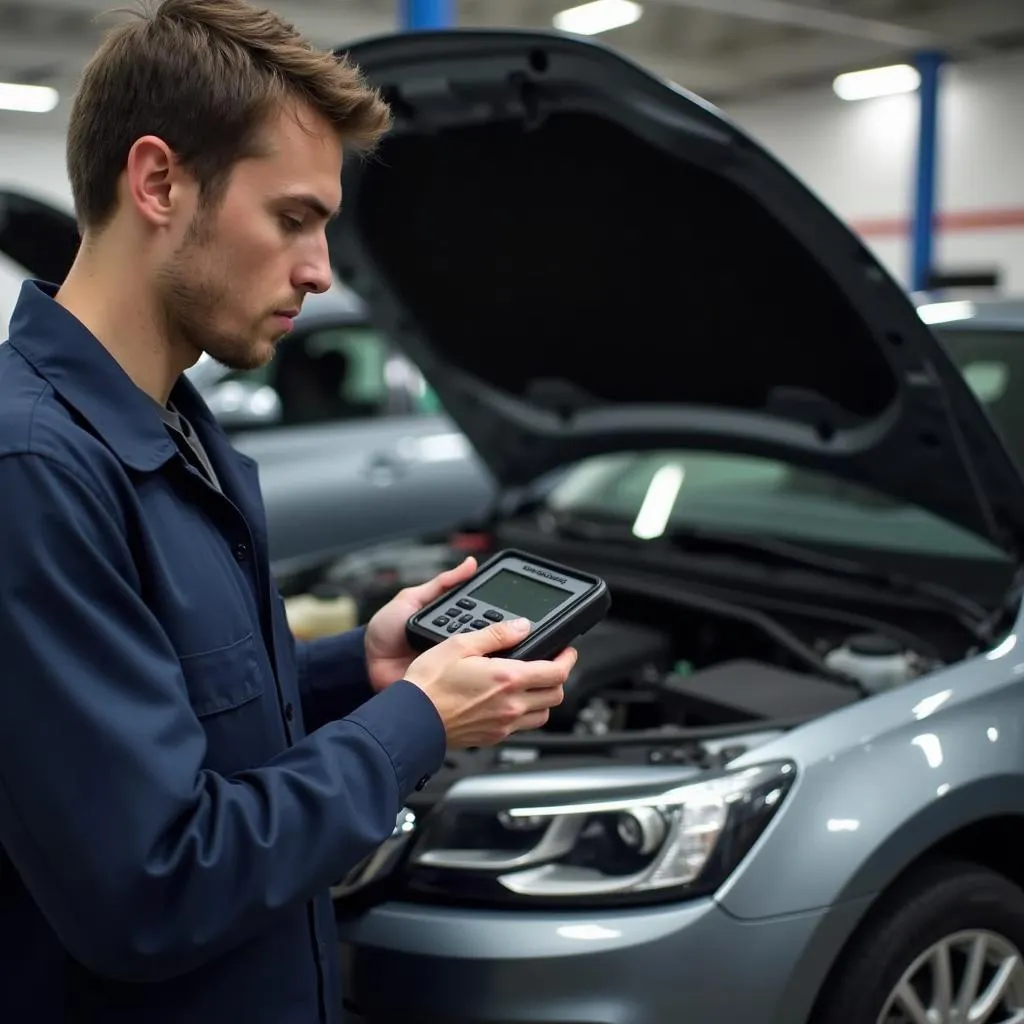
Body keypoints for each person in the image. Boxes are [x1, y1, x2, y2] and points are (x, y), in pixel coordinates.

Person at [0, 2, 573, 1022]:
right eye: (294, 218)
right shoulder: (34, 470)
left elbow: (184, 722)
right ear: (160, 181)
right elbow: (154, 881)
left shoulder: (175, 427)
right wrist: (416, 723)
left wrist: (361, 670)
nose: (317, 270)